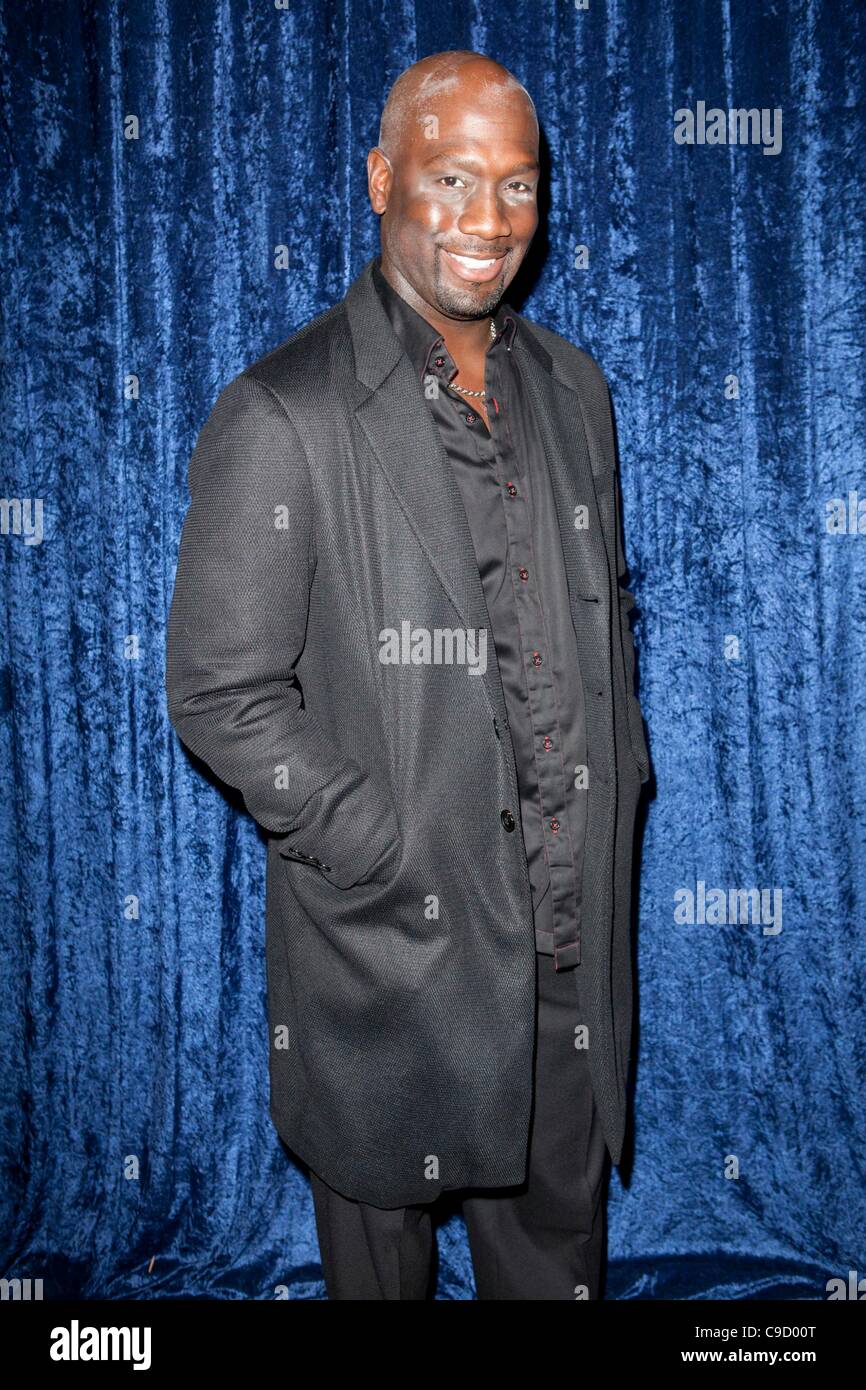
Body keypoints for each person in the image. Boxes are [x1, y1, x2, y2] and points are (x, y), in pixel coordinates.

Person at [165, 49, 650, 1300]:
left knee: (555, 1268)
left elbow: (599, 615)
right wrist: (380, 840)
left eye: (517, 184)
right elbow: (219, 691)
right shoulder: (282, 412)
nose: (489, 221)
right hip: (392, 954)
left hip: (561, 947)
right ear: (381, 182)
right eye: (450, 179)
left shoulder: (576, 392)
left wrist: (619, 766)